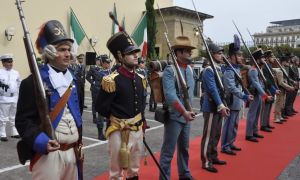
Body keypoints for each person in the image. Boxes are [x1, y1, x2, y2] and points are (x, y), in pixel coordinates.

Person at [15, 20, 83, 180]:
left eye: (68, 49)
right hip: (48, 155)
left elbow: (78, 114)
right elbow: (23, 121)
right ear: (50, 52)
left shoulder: (75, 81)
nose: (68, 54)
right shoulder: (31, 83)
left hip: (72, 151)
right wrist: (40, 141)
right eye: (62, 50)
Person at [96, 31, 146, 180]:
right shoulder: (111, 80)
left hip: (137, 130)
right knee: (116, 172)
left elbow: (141, 105)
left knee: (134, 169)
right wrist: (118, 120)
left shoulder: (140, 78)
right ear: (120, 57)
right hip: (118, 131)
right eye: (130, 53)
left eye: (135, 52)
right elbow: (101, 107)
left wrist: (142, 123)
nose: (135, 55)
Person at [159, 35, 196, 180]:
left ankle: (184, 173)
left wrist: (189, 112)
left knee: (184, 148)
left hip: (187, 115)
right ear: (179, 53)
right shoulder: (170, 70)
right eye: (187, 50)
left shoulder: (190, 70)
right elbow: (170, 96)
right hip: (175, 116)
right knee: (168, 152)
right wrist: (183, 112)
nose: (190, 53)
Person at [201, 43, 229, 173]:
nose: (221, 55)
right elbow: (212, 89)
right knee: (208, 136)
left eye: (222, 53)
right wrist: (220, 105)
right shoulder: (208, 70)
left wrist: (223, 104)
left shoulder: (218, 69)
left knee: (216, 134)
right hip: (212, 106)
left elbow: (222, 89)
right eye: (219, 53)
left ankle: (213, 156)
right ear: (212, 54)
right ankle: (206, 161)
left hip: (219, 105)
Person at [221, 42, 253, 156]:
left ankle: (231, 142)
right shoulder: (229, 70)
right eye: (238, 55)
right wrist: (244, 96)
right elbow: (231, 87)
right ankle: (225, 146)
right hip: (231, 100)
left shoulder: (236, 69)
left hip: (237, 101)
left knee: (234, 124)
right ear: (232, 57)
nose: (241, 57)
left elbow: (240, 85)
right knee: (229, 124)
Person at [246, 49, 273, 143]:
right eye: (262, 58)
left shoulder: (258, 69)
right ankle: (249, 134)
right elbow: (256, 84)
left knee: (257, 114)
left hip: (259, 94)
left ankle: (254, 131)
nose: (264, 60)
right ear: (257, 59)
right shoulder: (253, 70)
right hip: (255, 94)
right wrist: (265, 95)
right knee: (252, 115)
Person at [0, 54, 21, 141]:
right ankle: (2, 133)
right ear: (3, 63)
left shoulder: (16, 73)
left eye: (11, 61)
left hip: (14, 98)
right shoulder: (0, 72)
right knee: (3, 117)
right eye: (8, 62)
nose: (10, 63)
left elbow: (19, 84)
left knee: (13, 116)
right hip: (4, 98)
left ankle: (14, 131)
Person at [260, 50, 280, 132]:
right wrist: (273, 89)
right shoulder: (265, 67)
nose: (273, 58)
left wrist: (275, 88)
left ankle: (266, 123)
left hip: (271, 89)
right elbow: (267, 81)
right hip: (267, 90)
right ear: (267, 58)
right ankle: (263, 125)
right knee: (266, 108)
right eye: (271, 57)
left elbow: (272, 80)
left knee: (269, 107)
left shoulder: (269, 66)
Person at [273, 56, 295, 123]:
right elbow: (281, 82)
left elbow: (285, 79)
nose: (288, 63)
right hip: (280, 88)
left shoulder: (283, 69)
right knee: (278, 103)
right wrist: (289, 87)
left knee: (282, 103)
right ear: (283, 62)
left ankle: (279, 116)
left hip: (283, 89)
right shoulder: (280, 71)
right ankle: (276, 118)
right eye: (287, 61)